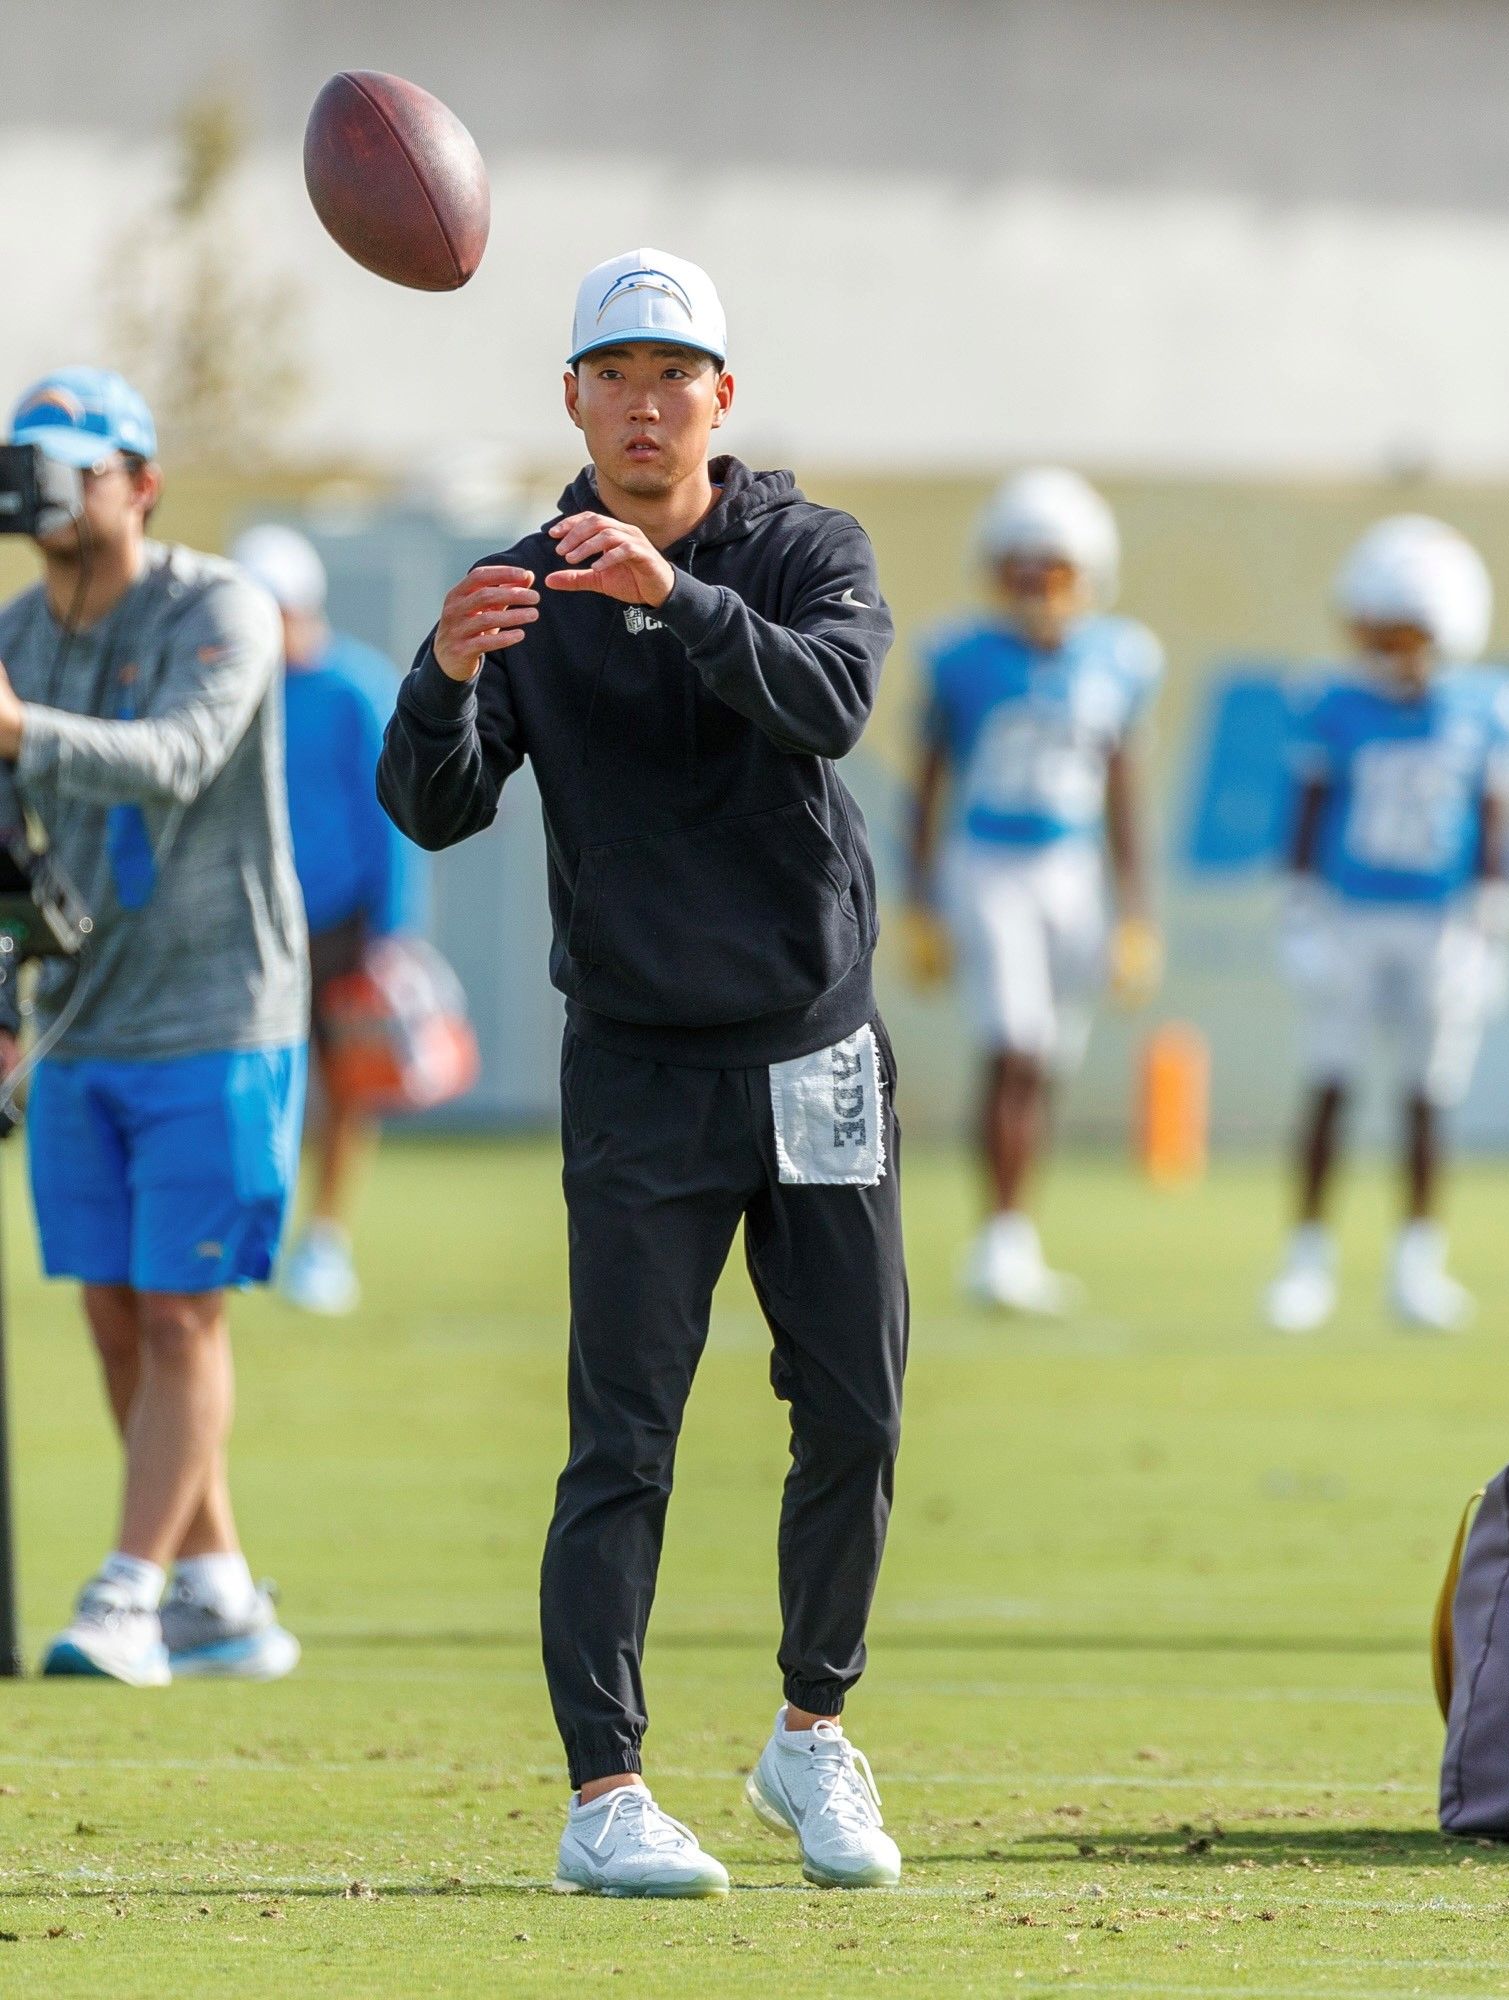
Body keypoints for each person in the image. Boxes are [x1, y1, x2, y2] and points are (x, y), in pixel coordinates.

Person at [378, 250, 906, 1897]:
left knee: (856, 1409)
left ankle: (807, 1736)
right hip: (636, 1071)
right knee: (622, 1433)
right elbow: (434, 806)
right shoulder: (519, 583)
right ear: (573, 400)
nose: (644, 398)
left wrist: (674, 600)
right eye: (613, 371)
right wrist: (446, 675)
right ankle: (604, 1792)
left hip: (815, 1052)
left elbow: (825, 703)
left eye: (675, 371)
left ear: (720, 402)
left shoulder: (804, 550)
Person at [0, 369, 307, 1681]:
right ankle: (219, 1591)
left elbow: (182, 755)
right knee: (118, 1313)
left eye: (74, 464)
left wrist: (22, 730)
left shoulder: (216, 604)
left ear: (142, 479)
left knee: (183, 1316)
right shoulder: (21, 628)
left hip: (216, 1011)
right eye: (29, 465)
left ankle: (127, 1594)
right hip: (76, 1025)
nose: (47, 489)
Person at [1264, 515, 1509, 1335]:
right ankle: (1305, 1260)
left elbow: (1495, 817)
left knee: (1428, 1095)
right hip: (1351, 914)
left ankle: (1417, 1262)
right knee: (1330, 1082)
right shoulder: (1333, 702)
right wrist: (1300, 904)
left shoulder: (1490, 705)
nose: (1388, 649)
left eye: (1405, 630)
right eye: (1376, 630)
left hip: (1438, 920)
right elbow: (1308, 808)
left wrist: (1493, 911)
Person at [903, 469, 1164, 1313]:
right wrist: (918, 899)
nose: (1037, 590)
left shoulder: (1119, 658)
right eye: (1021, 573)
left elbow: (1124, 791)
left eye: (1052, 572)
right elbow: (931, 784)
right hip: (989, 862)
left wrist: (1135, 912)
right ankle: (998, 1241)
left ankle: (1014, 1236)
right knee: (1013, 1045)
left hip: (1071, 869)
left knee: (1048, 1055)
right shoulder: (964, 657)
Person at [230, 523, 427, 1315]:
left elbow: (393, 812)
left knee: (346, 1089)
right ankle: (259, 1234)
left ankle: (325, 1243)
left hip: (342, 922)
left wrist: (394, 928)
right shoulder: (236, 687)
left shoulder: (356, 685)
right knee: (253, 1084)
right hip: (248, 921)